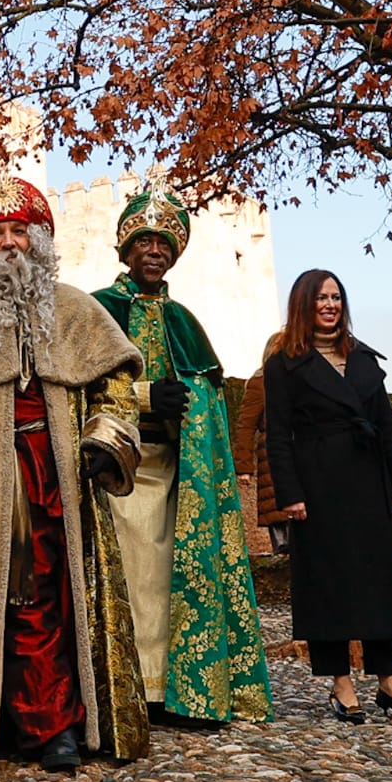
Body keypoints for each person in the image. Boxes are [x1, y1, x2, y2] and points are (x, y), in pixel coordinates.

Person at [0, 176, 149, 772]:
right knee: (22, 599)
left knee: (69, 597)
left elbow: (118, 385)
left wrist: (108, 440)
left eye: (18, 231)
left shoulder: (79, 310)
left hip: (67, 478)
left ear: (39, 239)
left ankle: (69, 718)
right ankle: (45, 727)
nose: (8, 245)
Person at [93, 187, 274, 727]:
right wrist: (145, 395)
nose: (154, 250)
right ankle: (130, 690)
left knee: (176, 580)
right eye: (144, 240)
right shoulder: (98, 311)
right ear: (125, 250)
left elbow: (211, 400)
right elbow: (80, 385)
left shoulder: (186, 322)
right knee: (133, 579)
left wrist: (192, 413)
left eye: (164, 243)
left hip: (177, 470)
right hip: (113, 469)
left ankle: (179, 691)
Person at [264, 269, 392, 723]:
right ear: (304, 304)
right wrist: (290, 492)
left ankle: (389, 683)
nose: (330, 304)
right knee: (329, 582)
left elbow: (388, 424)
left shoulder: (361, 359)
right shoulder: (285, 362)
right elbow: (277, 435)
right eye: (320, 297)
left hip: (367, 478)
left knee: (380, 581)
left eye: (336, 297)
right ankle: (340, 684)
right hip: (317, 484)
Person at [234, 331, 290, 554]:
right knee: (278, 511)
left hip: (298, 451)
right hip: (273, 455)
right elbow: (246, 426)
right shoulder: (260, 383)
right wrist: (244, 468)